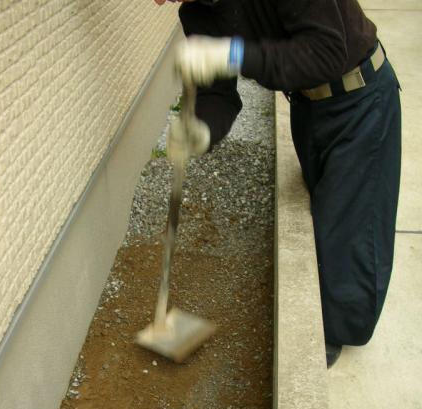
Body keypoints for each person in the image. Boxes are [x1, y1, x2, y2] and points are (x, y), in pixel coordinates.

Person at [154, 0, 402, 368]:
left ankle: (331, 336)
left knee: (352, 234)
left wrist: (234, 53)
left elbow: (327, 52)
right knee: (327, 217)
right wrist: (200, 131)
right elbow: (217, 95)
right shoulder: (198, 10)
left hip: (360, 102)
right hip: (309, 108)